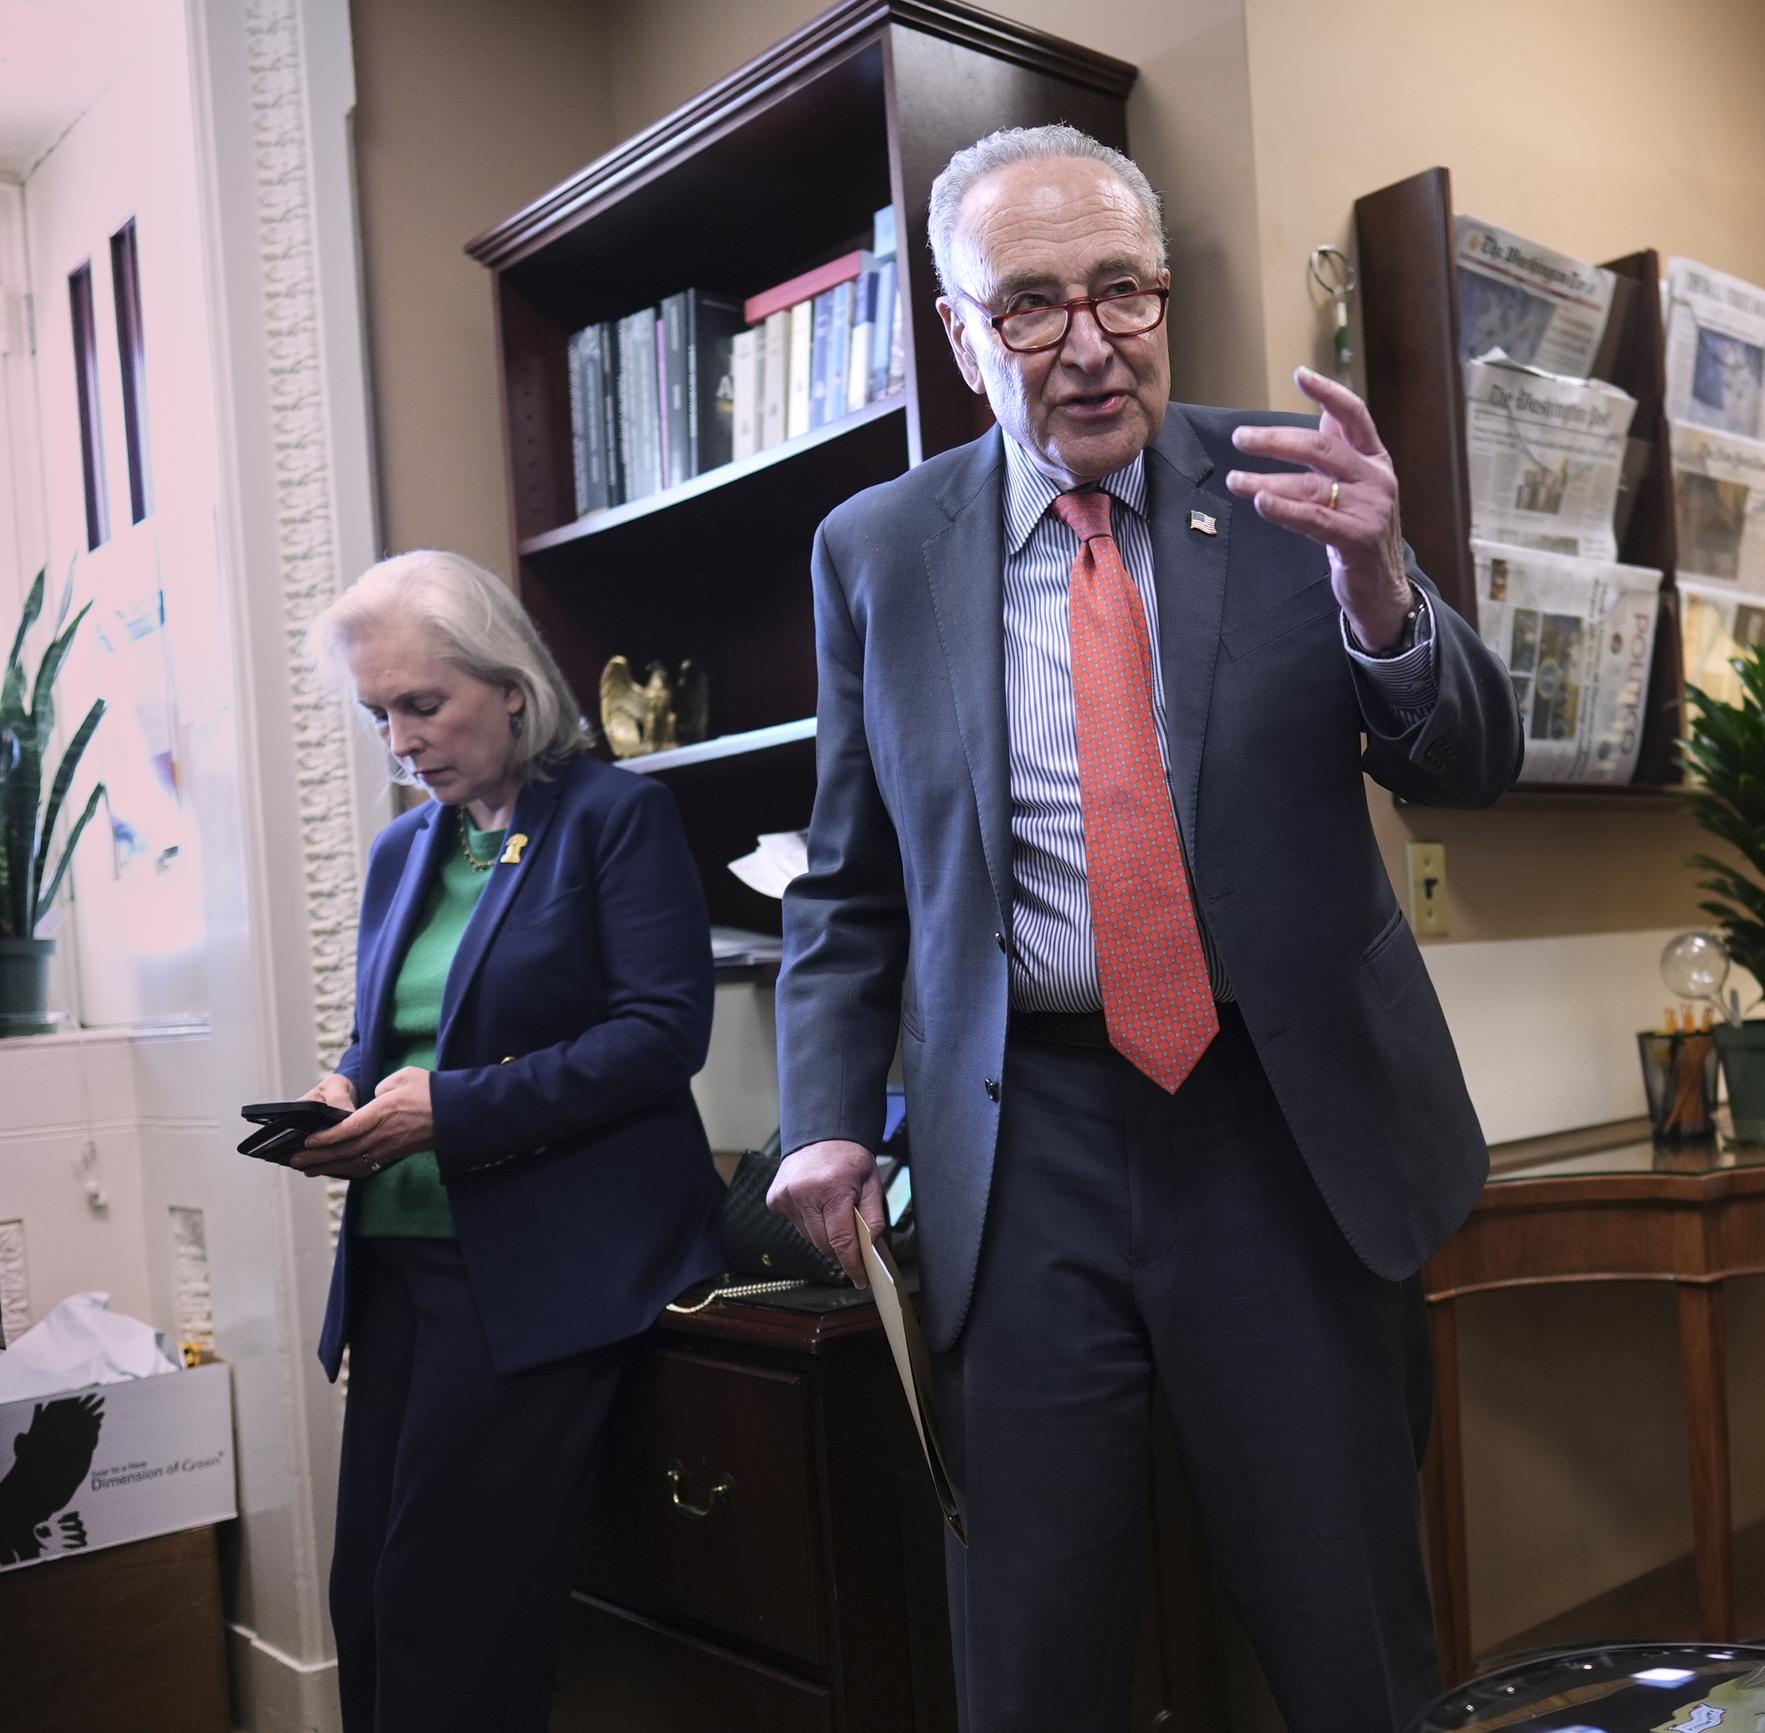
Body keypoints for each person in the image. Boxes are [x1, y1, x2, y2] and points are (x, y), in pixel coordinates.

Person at [766, 124, 1520, 1731]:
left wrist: (1382, 588)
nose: (1092, 342)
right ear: (959, 334)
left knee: (1347, 1635)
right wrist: (822, 1122)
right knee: (1032, 1648)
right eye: (1031, 305)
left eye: (1123, 289)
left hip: (1278, 1125)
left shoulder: (1287, 485)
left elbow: (1470, 763)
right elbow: (847, 882)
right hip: (1016, 1137)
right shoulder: (875, 552)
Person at [295, 550, 723, 1733]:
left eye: (423, 705)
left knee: (450, 1614)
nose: (400, 739)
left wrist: (451, 1107)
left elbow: (659, 1035)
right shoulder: (404, 850)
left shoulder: (614, 816)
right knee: (369, 1600)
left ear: (515, 691)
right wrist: (342, 1086)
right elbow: (384, 1029)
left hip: (540, 1272)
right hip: (399, 1263)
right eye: (380, 713)